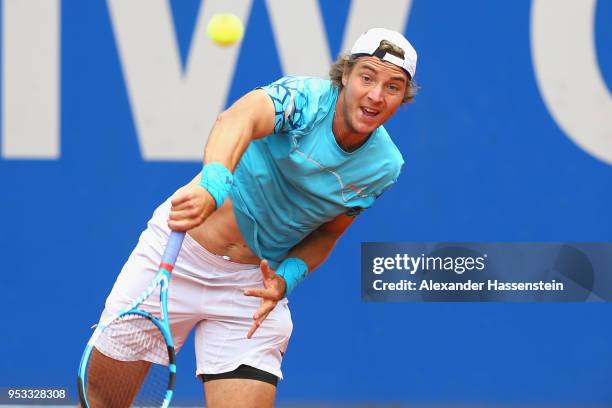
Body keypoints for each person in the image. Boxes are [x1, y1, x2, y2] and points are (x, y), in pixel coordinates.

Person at [90, 27, 418, 408]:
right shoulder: (305, 99)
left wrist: (285, 279)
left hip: (249, 289)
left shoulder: (384, 167)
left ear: (402, 98)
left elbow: (329, 233)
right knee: (101, 401)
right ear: (345, 75)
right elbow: (237, 120)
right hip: (176, 258)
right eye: (367, 78)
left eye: (393, 87)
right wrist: (212, 185)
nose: (376, 96)